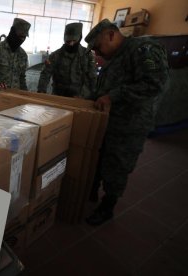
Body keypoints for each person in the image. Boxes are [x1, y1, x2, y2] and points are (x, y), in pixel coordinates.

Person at [84, 19, 169, 226]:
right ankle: (91, 191)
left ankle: (108, 207)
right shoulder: (115, 55)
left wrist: (112, 97)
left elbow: (154, 84)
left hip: (129, 125)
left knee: (118, 166)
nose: (97, 53)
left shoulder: (143, 50)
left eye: (98, 47)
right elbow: (106, 85)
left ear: (111, 35)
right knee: (99, 158)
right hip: (109, 121)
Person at [37, 22, 97, 97]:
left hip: (81, 97)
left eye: (74, 41)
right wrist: (41, 92)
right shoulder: (55, 56)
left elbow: (93, 77)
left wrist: (94, 96)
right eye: (68, 41)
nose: (71, 44)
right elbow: (45, 75)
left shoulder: (87, 55)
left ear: (79, 38)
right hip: (59, 97)